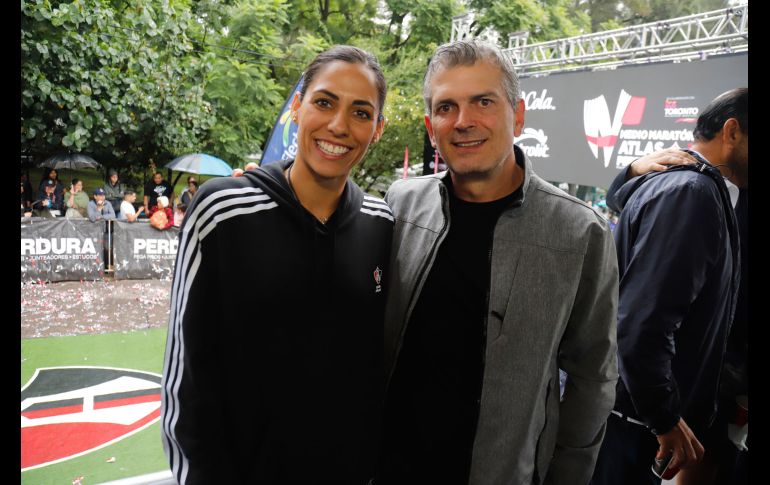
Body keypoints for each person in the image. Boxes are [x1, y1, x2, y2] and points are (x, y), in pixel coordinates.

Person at [377, 40, 618, 485]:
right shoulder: (401, 204)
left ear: (518, 115)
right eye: (447, 107)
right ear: (432, 127)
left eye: (483, 102)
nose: (464, 121)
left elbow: (593, 376)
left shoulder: (581, 232)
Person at [161, 45, 391, 484]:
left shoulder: (381, 223)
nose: (339, 125)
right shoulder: (222, 212)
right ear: (298, 107)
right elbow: (186, 383)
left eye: (361, 113)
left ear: (377, 129)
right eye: (324, 102)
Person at [591, 88, 746, 485]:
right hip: (632, 420)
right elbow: (643, 323)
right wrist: (663, 416)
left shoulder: (697, 189)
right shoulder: (690, 193)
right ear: (731, 132)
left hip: (635, 415)